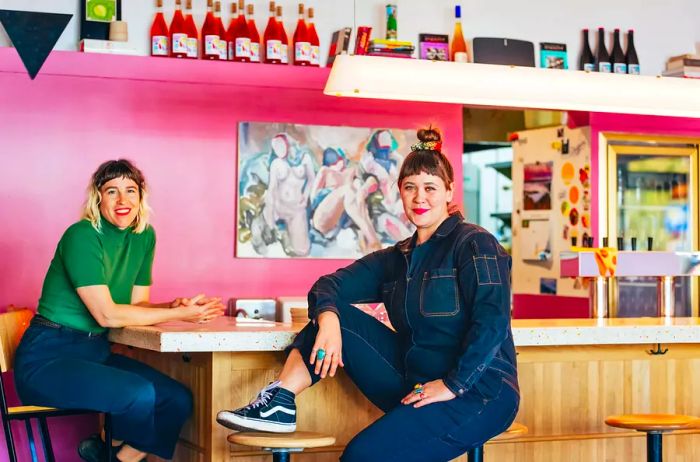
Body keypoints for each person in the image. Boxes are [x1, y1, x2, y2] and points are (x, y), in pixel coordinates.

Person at [216, 128, 519, 461]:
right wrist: (329, 321)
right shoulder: (397, 257)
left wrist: (452, 385)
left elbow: (492, 322)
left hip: (479, 392)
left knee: (362, 455)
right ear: (399, 194)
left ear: (449, 191)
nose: (420, 198)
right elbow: (326, 285)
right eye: (410, 188)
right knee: (333, 315)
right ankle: (281, 401)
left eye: (430, 188)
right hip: (416, 382)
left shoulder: (475, 243)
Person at [14, 159, 225, 462]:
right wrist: (177, 315)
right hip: (47, 357)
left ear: (141, 196)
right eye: (112, 191)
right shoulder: (82, 235)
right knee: (137, 394)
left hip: (94, 352)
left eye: (130, 190)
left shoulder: (144, 237)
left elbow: (136, 306)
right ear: (98, 197)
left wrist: (175, 306)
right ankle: (106, 451)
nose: (123, 200)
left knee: (176, 400)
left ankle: (110, 457)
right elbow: (108, 316)